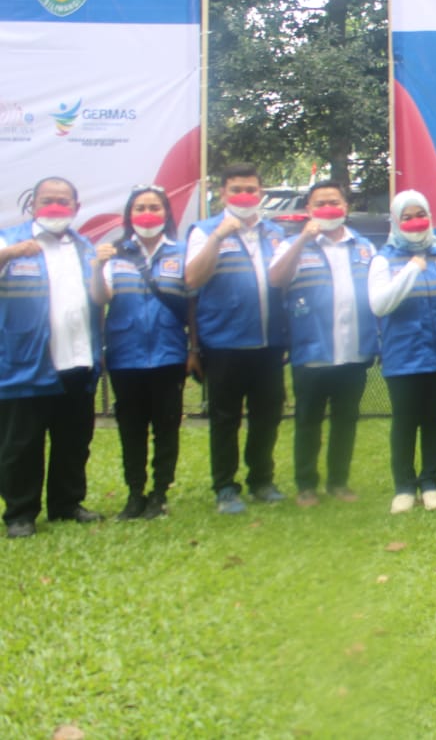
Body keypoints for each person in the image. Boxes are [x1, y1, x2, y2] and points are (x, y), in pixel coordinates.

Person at [0, 177, 105, 538]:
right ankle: (20, 513)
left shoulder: (84, 246)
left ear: (76, 207)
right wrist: (9, 255)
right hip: (25, 362)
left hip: (76, 359)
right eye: (48, 200)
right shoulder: (10, 240)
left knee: (74, 440)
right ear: (32, 205)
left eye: (64, 201)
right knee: (21, 443)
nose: (56, 207)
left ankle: (66, 504)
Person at [268, 180, 378, 507]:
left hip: (353, 352)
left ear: (345, 207)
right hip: (311, 352)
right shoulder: (291, 245)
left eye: (335, 201)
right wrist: (303, 238)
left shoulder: (364, 247)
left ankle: (338, 482)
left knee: (346, 421)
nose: (329, 208)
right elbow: (276, 279)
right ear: (308, 210)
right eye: (321, 203)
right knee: (308, 422)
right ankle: (306, 485)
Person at [186, 163, 288, 514]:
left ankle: (262, 480)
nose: (245, 196)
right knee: (226, 418)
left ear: (261, 192)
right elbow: (192, 280)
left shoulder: (275, 233)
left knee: (267, 416)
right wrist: (218, 238)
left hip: (269, 344)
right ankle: (225, 487)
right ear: (222, 192)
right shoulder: (204, 231)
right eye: (237, 190)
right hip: (225, 343)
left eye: (251, 189)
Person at [89, 185, 194, 520]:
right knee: (131, 429)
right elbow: (100, 299)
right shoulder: (114, 253)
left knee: (166, 427)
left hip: (169, 356)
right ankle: (135, 494)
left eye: (154, 207)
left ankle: (159, 494)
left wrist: (195, 348)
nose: (147, 214)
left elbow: (192, 304)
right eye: (140, 208)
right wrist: (96, 267)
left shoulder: (182, 252)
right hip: (125, 356)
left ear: (166, 213)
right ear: (129, 216)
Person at [369, 190, 436, 514]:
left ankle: (431, 483)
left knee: (434, 421)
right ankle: (403, 486)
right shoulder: (384, 259)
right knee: (405, 421)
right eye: (407, 217)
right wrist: (411, 269)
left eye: (420, 214)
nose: (415, 222)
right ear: (397, 221)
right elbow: (380, 304)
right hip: (403, 357)